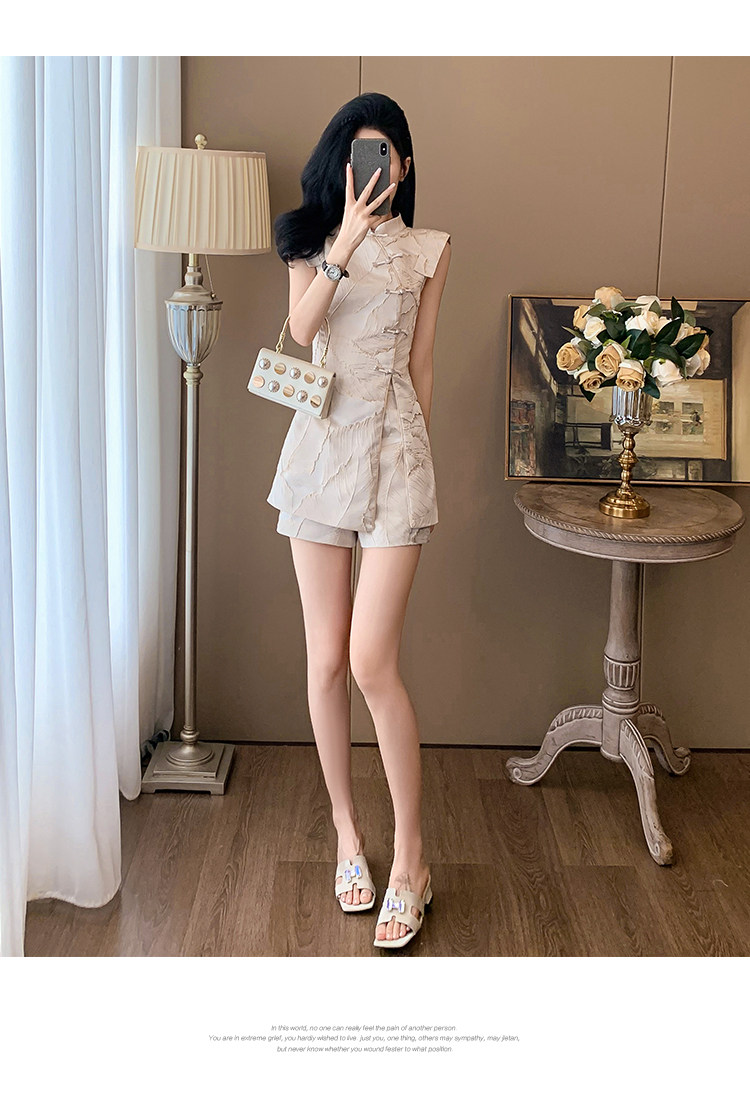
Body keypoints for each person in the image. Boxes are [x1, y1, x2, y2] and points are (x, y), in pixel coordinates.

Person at [268, 92, 451, 949]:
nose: (375, 169)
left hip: (395, 456)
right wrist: (340, 242)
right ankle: (348, 836)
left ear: (405, 168)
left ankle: (411, 861)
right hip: (319, 454)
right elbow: (302, 328)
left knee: (375, 661)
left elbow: (422, 366)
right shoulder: (306, 240)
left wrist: (418, 454)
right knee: (327, 661)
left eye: (388, 155)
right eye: (360, 154)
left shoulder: (430, 250)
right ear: (341, 164)